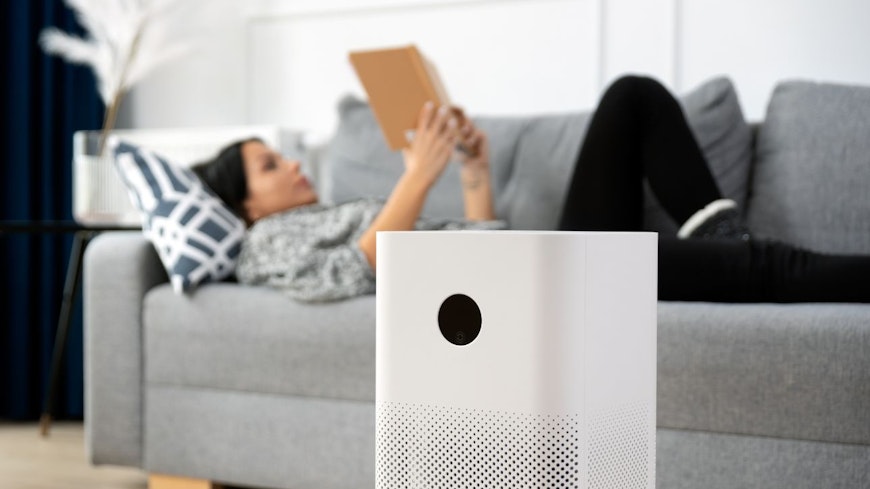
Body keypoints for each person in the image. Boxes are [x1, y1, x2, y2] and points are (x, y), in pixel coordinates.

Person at [192, 75, 868, 303]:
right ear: (245, 205)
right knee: (765, 267)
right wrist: (418, 175)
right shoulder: (263, 245)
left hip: (532, 261)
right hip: (535, 286)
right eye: (270, 167)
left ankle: (721, 233)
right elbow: (348, 273)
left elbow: (477, 241)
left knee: (632, 98)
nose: (293, 165)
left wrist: (472, 172)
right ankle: (733, 248)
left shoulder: (331, 210)